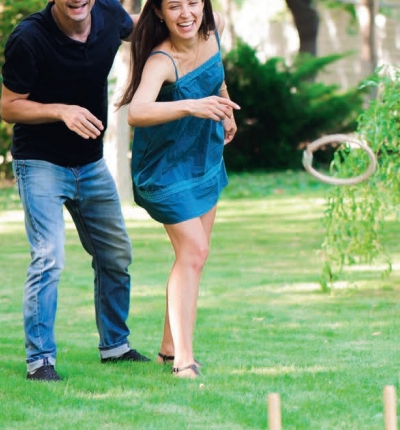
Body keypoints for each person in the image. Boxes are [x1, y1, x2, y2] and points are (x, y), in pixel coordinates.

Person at [0, 0, 150, 382]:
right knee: (48, 256)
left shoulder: (109, 15)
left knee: (116, 253)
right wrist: (61, 110)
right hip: (40, 163)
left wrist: (189, 17)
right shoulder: (29, 38)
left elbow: (142, 26)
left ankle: (115, 346)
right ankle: (40, 361)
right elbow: (10, 107)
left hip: (91, 163)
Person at [117, 0, 239, 378]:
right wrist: (191, 106)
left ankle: (169, 351)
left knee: (195, 256)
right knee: (194, 250)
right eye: (174, 6)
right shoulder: (161, 60)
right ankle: (185, 361)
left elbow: (216, 71)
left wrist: (225, 106)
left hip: (203, 155)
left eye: (192, 2)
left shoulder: (216, 26)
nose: (186, 13)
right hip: (164, 169)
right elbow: (137, 112)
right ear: (158, 12)